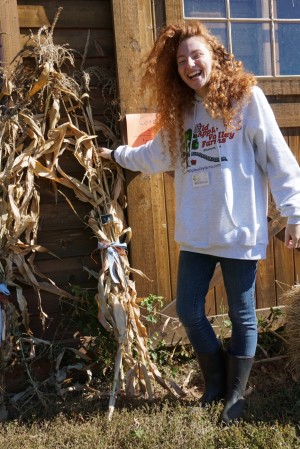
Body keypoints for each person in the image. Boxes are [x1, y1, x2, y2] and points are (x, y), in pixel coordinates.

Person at [99, 21, 300, 423]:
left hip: (239, 229)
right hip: (197, 233)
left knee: (243, 315)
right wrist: (115, 154)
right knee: (190, 311)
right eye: (180, 61)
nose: (190, 64)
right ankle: (216, 383)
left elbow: (279, 160)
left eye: (196, 54)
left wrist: (295, 213)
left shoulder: (247, 100)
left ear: (214, 56)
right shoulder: (182, 114)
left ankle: (236, 394)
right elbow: (152, 156)